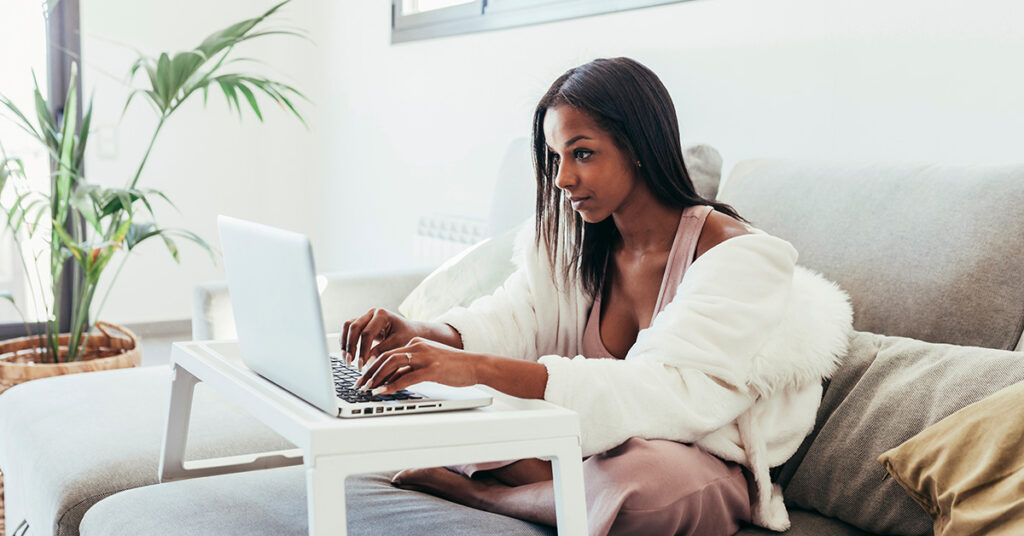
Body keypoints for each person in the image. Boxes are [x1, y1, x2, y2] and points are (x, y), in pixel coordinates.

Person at [341, 57, 852, 536]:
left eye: (582, 153)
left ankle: (494, 497)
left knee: (643, 487)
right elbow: (514, 317)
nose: (562, 179)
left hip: (688, 454)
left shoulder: (740, 257)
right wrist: (424, 335)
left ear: (638, 145)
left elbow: (667, 393)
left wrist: (474, 368)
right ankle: (564, 488)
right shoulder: (573, 237)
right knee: (454, 411)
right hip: (589, 444)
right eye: (557, 157)